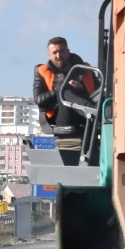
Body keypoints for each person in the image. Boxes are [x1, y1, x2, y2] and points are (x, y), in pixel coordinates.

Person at [33, 36, 99, 166]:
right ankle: (96, 111)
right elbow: (38, 99)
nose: (58, 55)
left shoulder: (85, 69)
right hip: (61, 116)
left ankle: (94, 111)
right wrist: (58, 89)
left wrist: (82, 88)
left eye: (61, 51)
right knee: (65, 91)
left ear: (68, 51)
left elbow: (97, 91)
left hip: (85, 116)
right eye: (54, 53)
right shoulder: (42, 71)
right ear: (49, 55)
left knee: (68, 91)